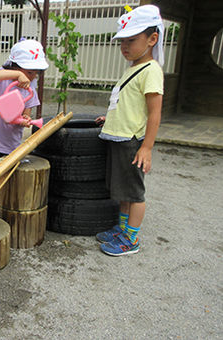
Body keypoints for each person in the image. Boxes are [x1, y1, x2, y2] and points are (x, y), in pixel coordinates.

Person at [94, 5, 164, 256]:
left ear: (152, 39)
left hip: (132, 142)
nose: (125, 46)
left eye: (131, 40)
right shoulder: (133, 67)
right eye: (122, 41)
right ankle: (123, 230)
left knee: (134, 193)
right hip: (119, 136)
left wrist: (147, 147)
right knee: (123, 190)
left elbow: (154, 112)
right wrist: (110, 118)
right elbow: (126, 102)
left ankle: (131, 239)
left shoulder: (151, 70)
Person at [0, 39, 49, 214]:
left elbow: (28, 108)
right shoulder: (3, 77)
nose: (33, 76)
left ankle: (5, 203)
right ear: (15, 66)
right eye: (29, 72)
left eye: (36, 73)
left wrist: (26, 119)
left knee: (10, 174)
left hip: (12, 140)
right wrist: (16, 76)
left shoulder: (30, 85)